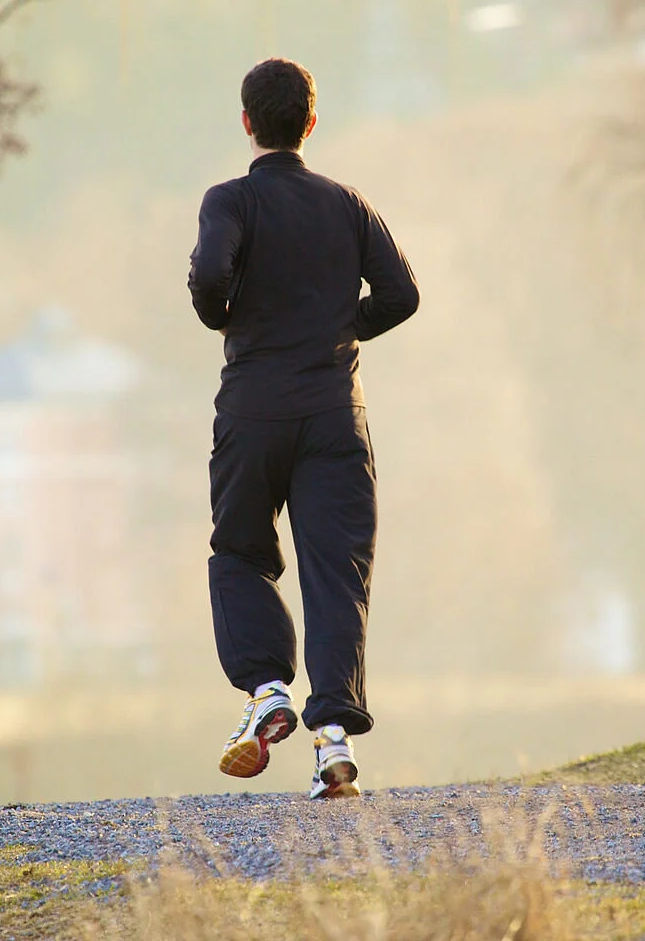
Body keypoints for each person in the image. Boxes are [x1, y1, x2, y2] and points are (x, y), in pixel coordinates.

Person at [187, 58, 419, 799]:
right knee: (335, 573)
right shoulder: (347, 204)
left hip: (252, 411)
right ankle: (332, 742)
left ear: (248, 122)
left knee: (240, 554)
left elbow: (208, 281)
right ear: (310, 124)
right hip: (332, 416)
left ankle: (264, 691)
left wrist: (229, 318)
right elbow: (403, 293)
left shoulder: (229, 201)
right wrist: (338, 329)